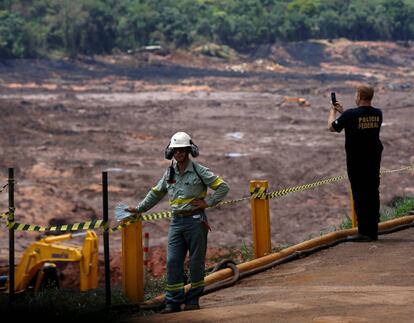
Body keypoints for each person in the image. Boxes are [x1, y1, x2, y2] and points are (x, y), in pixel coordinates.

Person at [126, 131, 229, 313]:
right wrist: (140, 208)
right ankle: (173, 303)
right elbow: (156, 193)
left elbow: (223, 187)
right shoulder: (169, 172)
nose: (179, 154)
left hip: (196, 222)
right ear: (171, 153)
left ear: (189, 151)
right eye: (175, 151)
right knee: (173, 261)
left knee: (196, 262)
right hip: (176, 223)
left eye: (182, 150)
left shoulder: (199, 170)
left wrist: (209, 203)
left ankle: (193, 300)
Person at [327, 85, 383, 242]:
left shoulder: (352, 114)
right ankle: (372, 230)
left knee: (360, 195)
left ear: (359, 96)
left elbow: (332, 127)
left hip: (357, 162)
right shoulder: (378, 113)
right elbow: (359, 122)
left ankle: (364, 232)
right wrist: (344, 112)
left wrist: (333, 111)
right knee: (372, 193)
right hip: (373, 160)